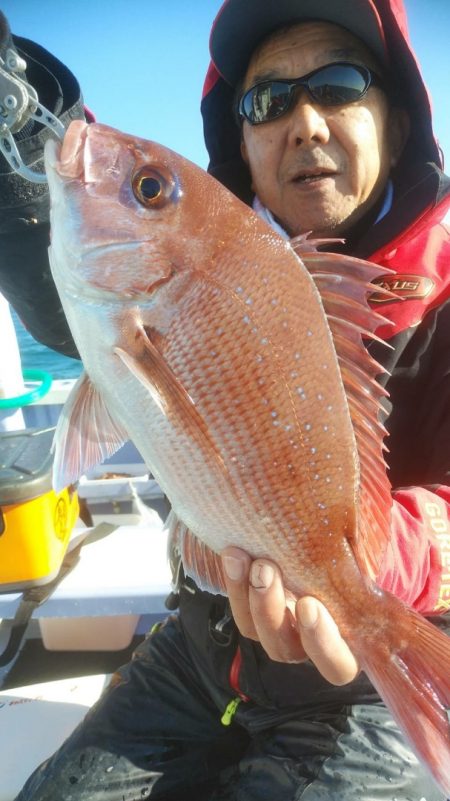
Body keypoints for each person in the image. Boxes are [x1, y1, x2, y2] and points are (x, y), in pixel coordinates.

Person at [1, 0, 449, 798]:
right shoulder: (198, 269)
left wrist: (361, 571)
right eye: (267, 100)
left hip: (364, 679)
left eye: (340, 84)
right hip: (203, 648)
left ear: (400, 121)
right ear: (239, 143)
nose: (305, 122)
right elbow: (67, 301)